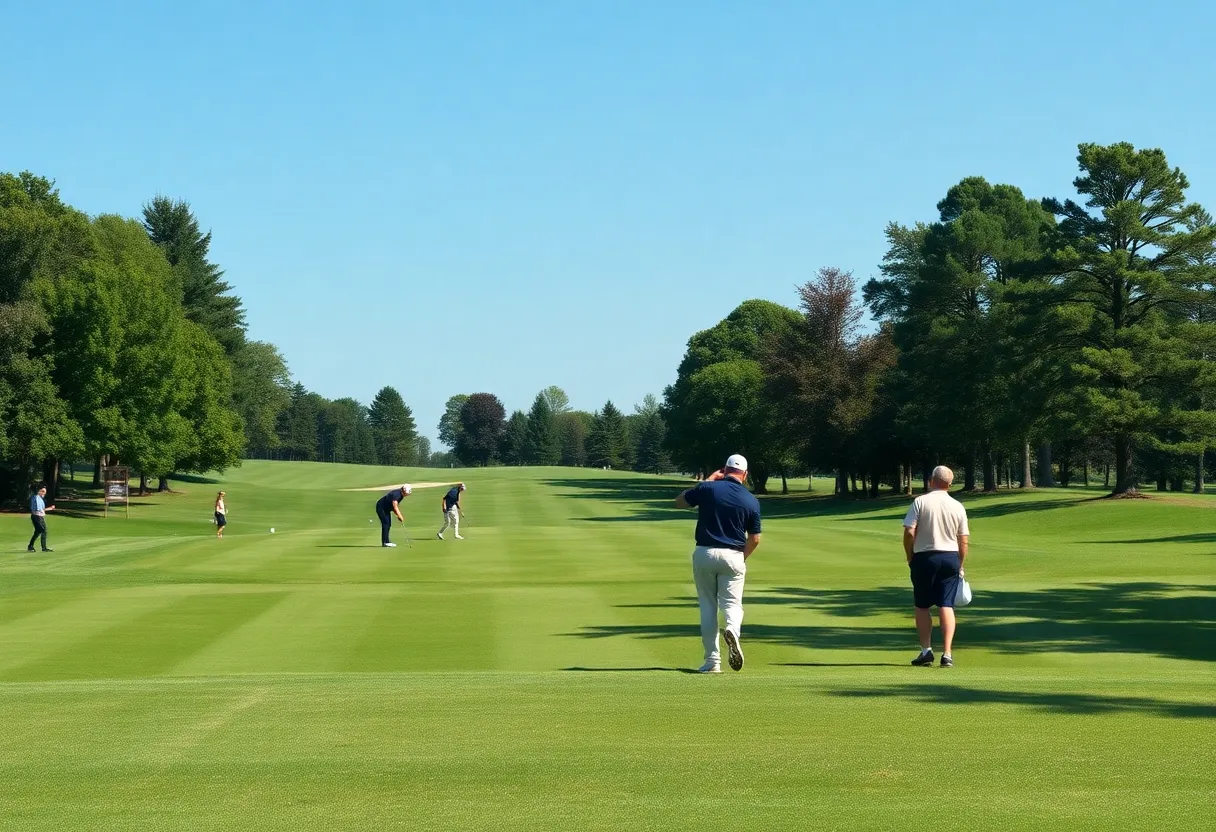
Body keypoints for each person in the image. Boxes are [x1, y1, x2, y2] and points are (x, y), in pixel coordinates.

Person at [675, 454, 762, 673]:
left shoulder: (707, 489)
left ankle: (712, 662)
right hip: (733, 554)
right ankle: (732, 629)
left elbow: (679, 502)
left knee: (708, 606)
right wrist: (741, 558)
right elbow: (755, 539)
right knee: (732, 604)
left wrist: (708, 481)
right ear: (745, 474)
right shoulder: (751, 500)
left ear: (724, 470)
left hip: (705, 552)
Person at [903, 465, 970, 668]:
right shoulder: (957, 506)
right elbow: (963, 540)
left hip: (924, 557)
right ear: (949, 484)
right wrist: (960, 563)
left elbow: (908, 533)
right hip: (950, 557)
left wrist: (910, 556)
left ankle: (926, 651)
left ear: (931, 480)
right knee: (946, 605)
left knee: (922, 606)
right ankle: (947, 654)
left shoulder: (920, 502)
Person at [27, 485, 55, 552]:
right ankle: (37, 547)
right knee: (41, 530)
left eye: (45, 492)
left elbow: (41, 509)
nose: (44, 493)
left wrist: (50, 508)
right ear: (39, 491)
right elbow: (36, 509)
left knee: (41, 531)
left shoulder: (39, 498)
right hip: (37, 517)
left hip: (40, 517)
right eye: (42, 491)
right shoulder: (36, 497)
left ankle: (38, 547)